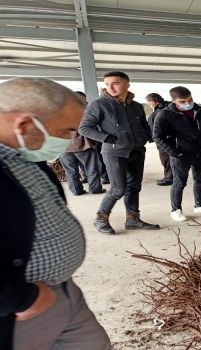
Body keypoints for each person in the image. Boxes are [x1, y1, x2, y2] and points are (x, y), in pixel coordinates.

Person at [0, 77, 111, 349]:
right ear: (24, 125)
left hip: (61, 291)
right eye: (66, 131)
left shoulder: (24, 155)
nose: (71, 140)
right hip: (21, 311)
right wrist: (19, 299)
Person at [79, 71, 160, 234]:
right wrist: (110, 139)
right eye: (107, 84)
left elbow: (144, 126)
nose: (111, 87)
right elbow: (84, 128)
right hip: (114, 153)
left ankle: (133, 219)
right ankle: (100, 219)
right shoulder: (99, 104)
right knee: (118, 189)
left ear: (127, 84)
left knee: (134, 187)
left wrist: (149, 137)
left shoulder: (136, 106)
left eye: (115, 83)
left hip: (137, 151)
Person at [153, 86, 201, 221]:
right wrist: (174, 152)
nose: (187, 103)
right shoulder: (165, 114)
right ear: (173, 100)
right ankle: (175, 210)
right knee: (179, 182)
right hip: (181, 154)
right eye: (182, 101)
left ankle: (199, 205)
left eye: (190, 99)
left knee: (200, 180)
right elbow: (158, 136)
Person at [146, 93, 172, 186]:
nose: (149, 104)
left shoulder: (161, 110)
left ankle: (169, 178)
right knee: (168, 159)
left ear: (153, 101)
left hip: (163, 139)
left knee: (166, 159)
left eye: (148, 102)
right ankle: (169, 176)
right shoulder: (167, 107)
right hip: (165, 138)